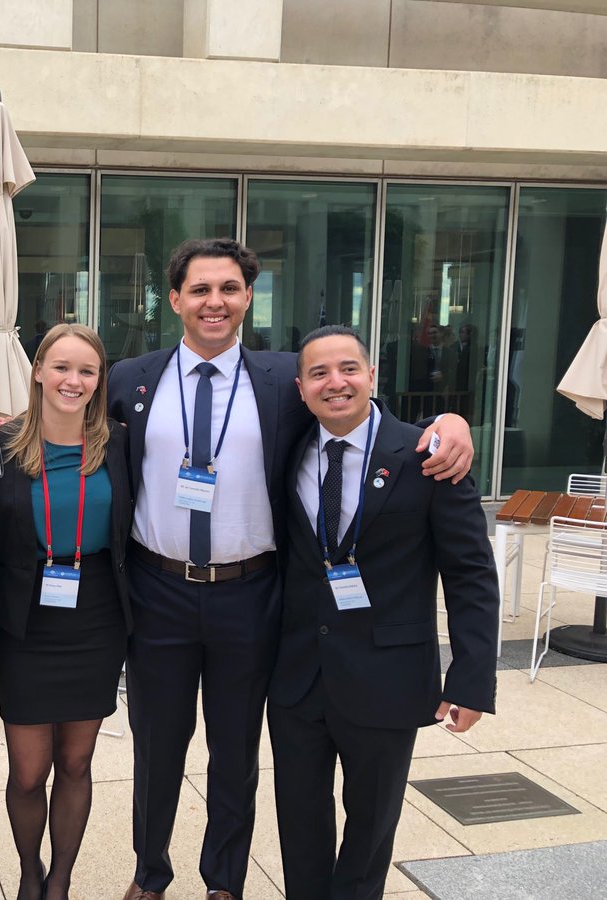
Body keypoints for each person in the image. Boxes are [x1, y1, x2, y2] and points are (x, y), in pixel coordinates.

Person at [105, 239, 474, 900]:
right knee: (155, 747)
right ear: (175, 299)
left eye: (229, 289)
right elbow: (69, 425)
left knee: (236, 751)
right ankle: (150, 873)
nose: (214, 302)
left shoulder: (283, 380)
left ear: (248, 298)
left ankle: (224, 881)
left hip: (249, 594)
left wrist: (448, 422)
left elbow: (358, 414)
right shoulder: (130, 379)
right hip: (158, 589)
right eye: (200, 289)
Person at [268, 325, 498, 900]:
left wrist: (471, 677)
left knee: (370, 826)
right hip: (297, 674)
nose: (335, 382)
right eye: (319, 373)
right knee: (298, 819)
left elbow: (470, 572)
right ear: (301, 388)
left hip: (387, 673)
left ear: (372, 375)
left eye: (348, 368)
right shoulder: (286, 447)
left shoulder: (429, 456)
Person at [0, 324, 132, 900]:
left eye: (87, 371)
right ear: (39, 371)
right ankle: (29, 874)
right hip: (24, 617)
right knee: (28, 771)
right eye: (62, 367)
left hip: (96, 614)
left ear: (99, 381)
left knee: (76, 763)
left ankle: (60, 882)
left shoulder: (120, 445)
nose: (74, 380)